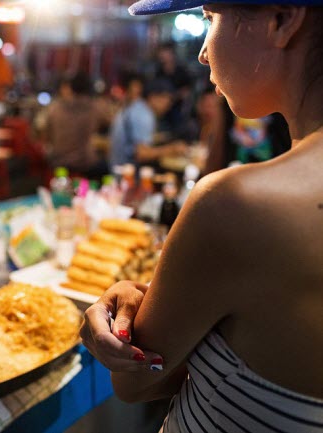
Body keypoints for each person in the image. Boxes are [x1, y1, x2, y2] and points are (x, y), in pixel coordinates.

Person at [81, 1, 323, 432]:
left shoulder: (234, 206)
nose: (203, 53)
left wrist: (132, 309)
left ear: (282, 19)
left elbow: (136, 382)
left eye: (211, 18)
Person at [109, 74, 188, 171]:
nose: (168, 105)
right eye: (167, 99)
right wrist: (172, 149)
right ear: (153, 97)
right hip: (125, 173)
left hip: (118, 166)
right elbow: (141, 154)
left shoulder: (138, 107)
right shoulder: (144, 115)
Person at [43, 73, 106, 179]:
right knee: (108, 167)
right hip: (84, 165)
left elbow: (46, 135)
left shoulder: (54, 108)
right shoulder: (94, 108)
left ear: (71, 88)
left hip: (57, 162)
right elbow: (110, 121)